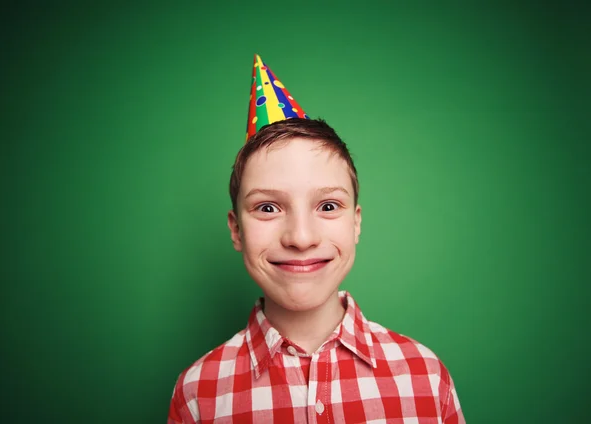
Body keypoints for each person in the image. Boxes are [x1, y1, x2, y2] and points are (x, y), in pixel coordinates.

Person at [167, 55, 465, 424]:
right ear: (236, 229)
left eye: (327, 205)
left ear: (356, 223)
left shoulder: (426, 377)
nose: (301, 237)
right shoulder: (198, 393)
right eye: (268, 208)